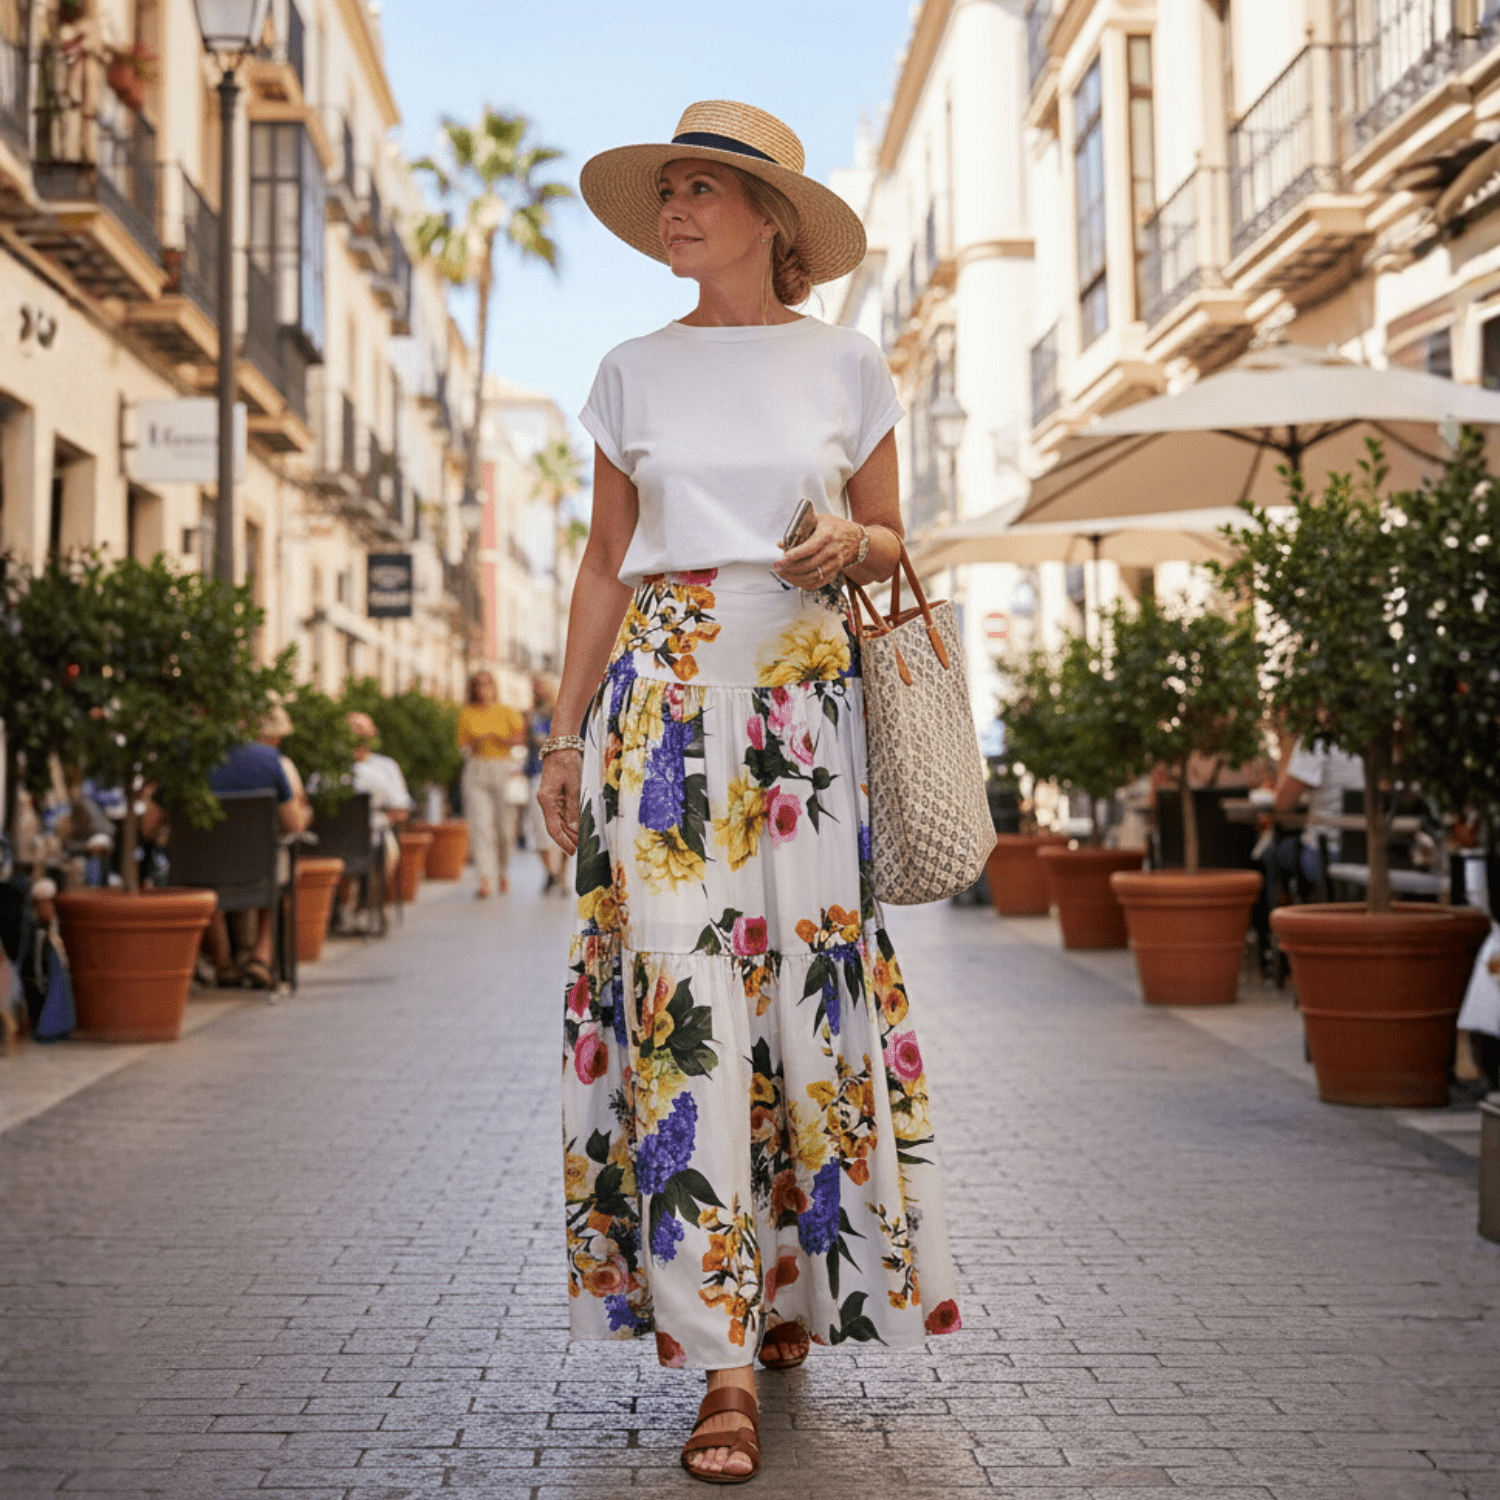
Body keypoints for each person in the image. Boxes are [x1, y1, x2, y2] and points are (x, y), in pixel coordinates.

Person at [536, 101, 960, 1484]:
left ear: (772, 219)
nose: (674, 207)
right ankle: (718, 1360)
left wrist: (856, 536)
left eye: (701, 187)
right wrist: (559, 738)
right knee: (684, 1008)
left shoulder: (847, 363)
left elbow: (899, 530)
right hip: (659, 714)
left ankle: (788, 1284)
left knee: (800, 1002)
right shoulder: (629, 373)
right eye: (665, 187)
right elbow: (607, 561)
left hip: (805, 715)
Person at [203, 700, 310, 988]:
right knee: (285, 874)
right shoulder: (270, 761)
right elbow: (295, 825)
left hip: (201, 872)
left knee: (202, 877)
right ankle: (261, 958)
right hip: (258, 869)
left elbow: (148, 827)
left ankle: (223, 962)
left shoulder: (189, 759)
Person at [1264, 736, 1365, 901]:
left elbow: (1282, 804)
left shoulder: (1316, 741)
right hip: (1369, 853)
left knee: (1271, 854)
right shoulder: (1373, 737)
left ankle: (1284, 919)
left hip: (1326, 854)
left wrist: (1287, 755)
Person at [457, 670, 526, 897]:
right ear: (473, 688)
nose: (483, 689)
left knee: (505, 827)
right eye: (478, 684)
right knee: (480, 825)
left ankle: (503, 871)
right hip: (477, 768)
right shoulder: (467, 713)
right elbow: (462, 746)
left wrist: (498, 739)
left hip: (503, 768)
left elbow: (520, 738)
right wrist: (476, 742)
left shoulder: (507, 712)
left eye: (487, 684)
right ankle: (485, 877)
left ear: (494, 687)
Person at [346, 711, 412, 912]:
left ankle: (367, 900)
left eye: (364, 728)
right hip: (336, 834)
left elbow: (402, 809)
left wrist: (384, 816)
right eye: (354, 728)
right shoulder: (332, 767)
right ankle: (344, 906)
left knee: (388, 850)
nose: (360, 734)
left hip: (374, 829)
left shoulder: (386, 766)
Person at [526, 673, 566, 894]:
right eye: (535, 687)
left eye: (542, 686)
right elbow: (536, 739)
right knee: (538, 829)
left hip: (562, 773)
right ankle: (550, 872)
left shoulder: (564, 712)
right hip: (536, 773)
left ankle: (560, 875)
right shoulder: (531, 714)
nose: (538, 691)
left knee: (566, 826)